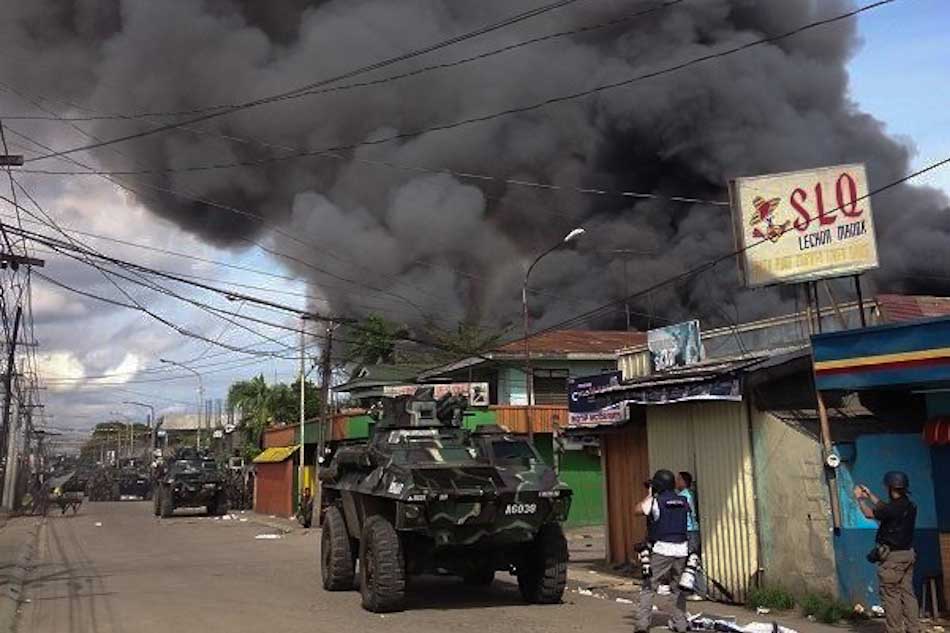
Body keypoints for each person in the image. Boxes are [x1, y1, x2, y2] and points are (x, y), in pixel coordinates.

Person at [854, 471, 918, 633]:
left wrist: (860, 499)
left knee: (891, 596)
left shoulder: (892, 509)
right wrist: (870, 495)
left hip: (892, 558)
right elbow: (885, 508)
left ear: (890, 488)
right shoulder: (909, 506)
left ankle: (895, 630)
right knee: (908, 594)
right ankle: (913, 628)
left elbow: (870, 514)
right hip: (908, 554)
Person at [636, 469, 689, 633]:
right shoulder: (683, 500)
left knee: (648, 586)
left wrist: (650, 494)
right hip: (682, 549)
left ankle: (642, 624)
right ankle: (680, 624)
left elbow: (637, 510)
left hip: (662, 549)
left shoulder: (655, 501)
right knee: (678, 589)